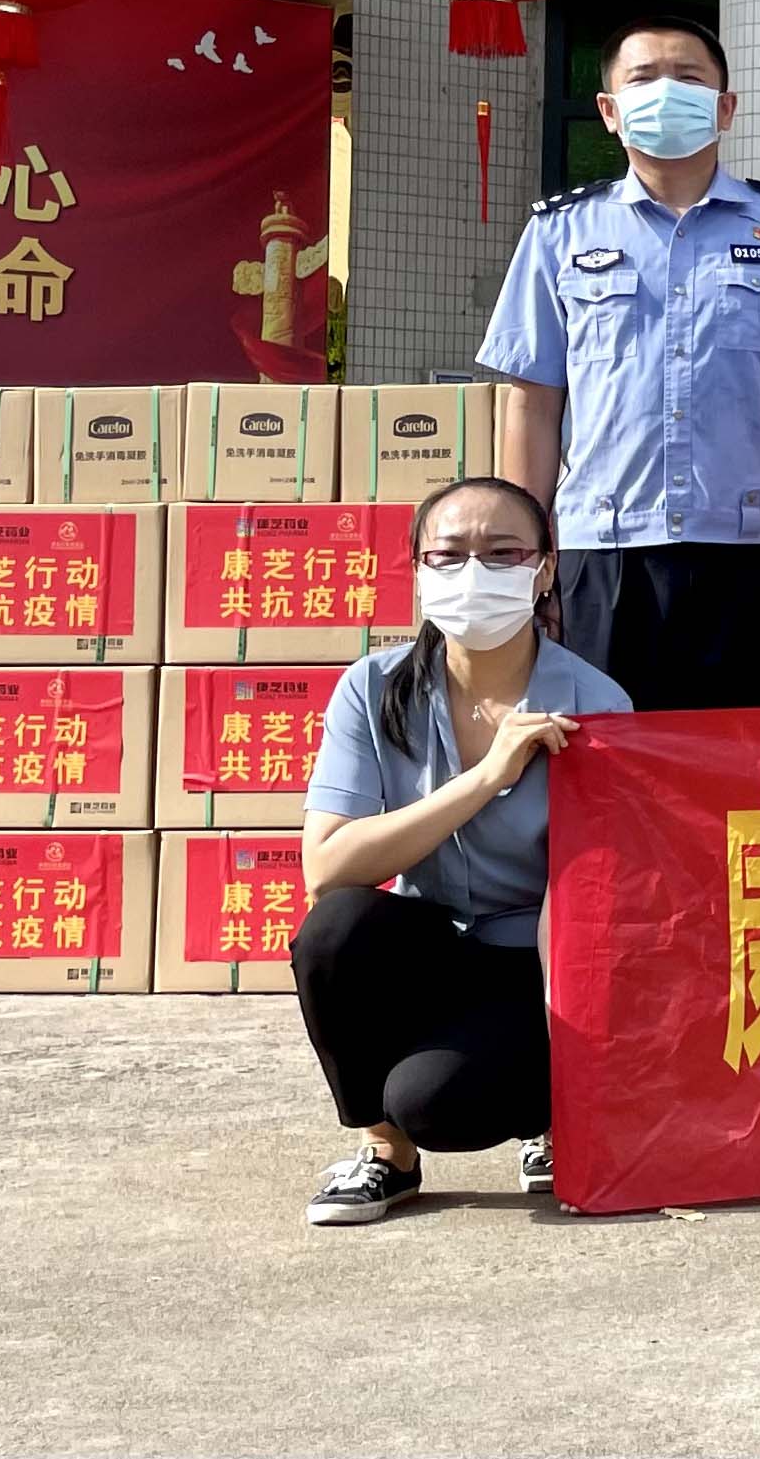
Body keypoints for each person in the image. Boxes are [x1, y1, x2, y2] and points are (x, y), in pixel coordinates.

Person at [478, 16, 760, 711]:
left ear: (725, 107)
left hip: (752, 556)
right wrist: (525, 562)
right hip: (603, 554)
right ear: (609, 111)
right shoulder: (559, 233)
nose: (666, 92)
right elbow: (532, 403)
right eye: (644, 78)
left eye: (688, 77)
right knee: (605, 760)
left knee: (744, 767)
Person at [292, 475, 630, 1226]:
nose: (474, 573)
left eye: (504, 553)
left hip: (533, 960)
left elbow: (591, 897)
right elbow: (328, 867)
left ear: (545, 569)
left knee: (439, 1105)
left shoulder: (598, 704)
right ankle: (385, 1153)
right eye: (448, 555)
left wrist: (578, 1063)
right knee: (336, 928)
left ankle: (553, 1114)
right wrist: (485, 777)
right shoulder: (372, 688)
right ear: (417, 569)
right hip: (429, 946)